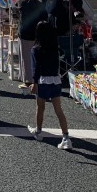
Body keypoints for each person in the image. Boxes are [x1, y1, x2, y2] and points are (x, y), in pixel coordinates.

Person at [28, 20, 72, 150]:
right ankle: (66, 137)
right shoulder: (55, 48)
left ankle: (38, 131)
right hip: (55, 80)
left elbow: (36, 68)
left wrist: (34, 83)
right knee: (59, 110)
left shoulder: (35, 49)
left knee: (40, 107)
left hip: (42, 81)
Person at [18, 0, 47, 87]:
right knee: (37, 57)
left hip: (25, 33)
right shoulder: (40, 4)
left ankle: (27, 79)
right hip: (37, 34)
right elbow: (45, 19)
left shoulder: (23, 3)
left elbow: (19, 11)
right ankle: (37, 78)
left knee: (26, 57)